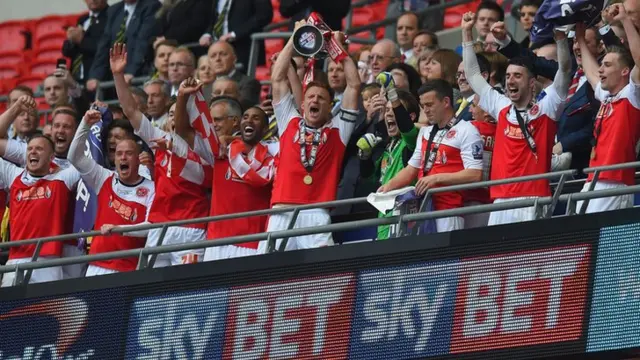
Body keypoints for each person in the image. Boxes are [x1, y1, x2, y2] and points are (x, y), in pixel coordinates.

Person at [256, 22, 360, 252]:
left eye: (321, 99)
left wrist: (336, 48)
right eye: (311, 97)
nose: (315, 101)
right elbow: (278, 78)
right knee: (267, 274)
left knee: (322, 275)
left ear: (330, 106)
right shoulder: (289, 122)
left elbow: (354, 84)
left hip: (317, 211)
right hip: (281, 210)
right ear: (302, 104)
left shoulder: (338, 131)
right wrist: (296, 38)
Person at [462, 11, 571, 225]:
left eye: (518, 76)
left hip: (534, 198)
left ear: (531, 83)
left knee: (531, 258)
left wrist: (561, 41)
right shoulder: (501, 107)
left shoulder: (547, 108)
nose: (511, 79)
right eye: (508, 75)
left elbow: (565, 71)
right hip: (500, 200)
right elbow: (473, 75)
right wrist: (466, 33)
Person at [110, 44, 211, 266]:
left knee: (190, 294)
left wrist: (173, 147)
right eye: (172, 114)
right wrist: (118, 75)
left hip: (191, 228)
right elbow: (130, 110)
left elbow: (200, 174)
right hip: (158, 227)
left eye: (180, 114)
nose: (175, 118)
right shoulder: (158, 139)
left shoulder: (203, 145)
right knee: (149, 292)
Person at [174, 80, 277, 260]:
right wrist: (182, 96)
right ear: (240, 122)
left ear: (266, 127)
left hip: (253, 242)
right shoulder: (219, 150)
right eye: (246, 117)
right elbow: (183, 131)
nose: (249, 121)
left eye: (256, 118)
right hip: (217, 243)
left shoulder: (273, 153)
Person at [379, 79, 484, 232]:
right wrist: (387, 187)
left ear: (446, 102)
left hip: (448, 211)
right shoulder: (425, 132)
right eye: (423, 106)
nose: (426, 110)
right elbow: (411, 170)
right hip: (423, 209)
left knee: (445, 256)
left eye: (429, 105)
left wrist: (436, 178)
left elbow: (475, 174)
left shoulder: (467, 130)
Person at [68, 109, 155, 276]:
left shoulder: (152, 188)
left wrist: (119, 229)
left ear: (138, 160)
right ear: (113, 159)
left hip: (128, 268)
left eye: (129, 154)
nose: (123, 157)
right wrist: (85, 125)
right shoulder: (103, 177)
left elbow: (150, 227)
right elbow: (74, 157)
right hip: (96, 265)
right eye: (119, 154)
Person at [575, 4, 640, 213]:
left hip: (616, 182)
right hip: (592, 179)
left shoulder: (632, 94)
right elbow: (591, 70)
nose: (601, 69)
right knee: (582, 239)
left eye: (608, 65)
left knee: (606, 244)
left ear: (625, 71)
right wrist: (580, 37)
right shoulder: (606, 96)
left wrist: (624, 20)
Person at [0, 135, 80, 286]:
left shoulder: (62, 179)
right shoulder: (14, 176)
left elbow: (85, 160)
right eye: (30, 148)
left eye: (39, 149)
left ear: (51, 157)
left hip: (48, 262)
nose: (33, 152)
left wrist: (88, 124)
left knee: (46, 308)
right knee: (10, 309)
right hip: (16, 259)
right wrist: (16, 110)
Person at [358, 79, 420, 239]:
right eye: (386, 110)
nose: (389, 114)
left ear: (411, 116)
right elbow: (368, 178)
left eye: (395, 110)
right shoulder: (387, 146)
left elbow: (407, 127)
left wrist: (392, 93)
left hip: (405, 213)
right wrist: (364, 157)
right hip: (384, 214)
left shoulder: (413, 141)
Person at [86, 0, 161, 93]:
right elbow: (104, 46)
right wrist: (95, 76)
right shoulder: (114, 10)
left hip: (139, 75)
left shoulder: (151, 6)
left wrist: (131, 72)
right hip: (115, 75)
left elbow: (142, 43)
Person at [198, 0, 273, 69]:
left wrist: (235, 34)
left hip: (244, 51)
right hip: (215, 49)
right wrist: (207, 34)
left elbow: (264, 15)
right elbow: (215, 19)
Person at [0, 108, 78, 170]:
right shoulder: (31, 151)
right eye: (57, 126)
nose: (60, 131)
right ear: (51, 130)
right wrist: (17, 105)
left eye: (66, 127)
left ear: (75, 132)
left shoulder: (81, 164)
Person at [62, 0, 109, 84]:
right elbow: (66, 51)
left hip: (98, 79)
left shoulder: (112, 16)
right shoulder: (83, 19)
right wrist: (71, 40)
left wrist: (81, 40)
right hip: (76, 79)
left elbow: (106, 48)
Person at [207, 41, 261, 107]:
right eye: (213, 56)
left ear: (234, 59)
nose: (217, 59)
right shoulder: (205, 88)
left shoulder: (249, 83)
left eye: (223, 54)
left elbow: (240, 107)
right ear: (209, 62)